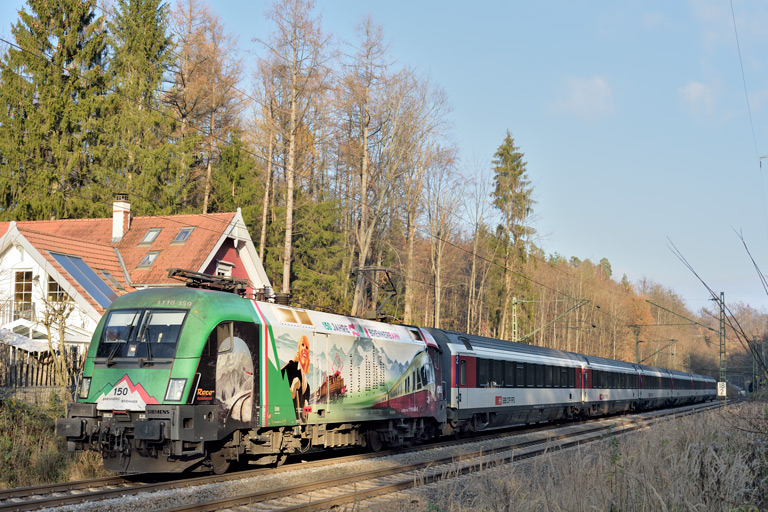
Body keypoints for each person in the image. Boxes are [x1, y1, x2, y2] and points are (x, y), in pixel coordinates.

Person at [281, 335, 311, 421]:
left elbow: (306, 407)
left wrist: (306, 409)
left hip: (297, 419)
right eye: (302, 345)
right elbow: (277, 377)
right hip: (287, 415)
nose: (305, 348)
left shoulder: (307, 386)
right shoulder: (290, 366)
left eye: (307, 347)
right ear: (298, 349)